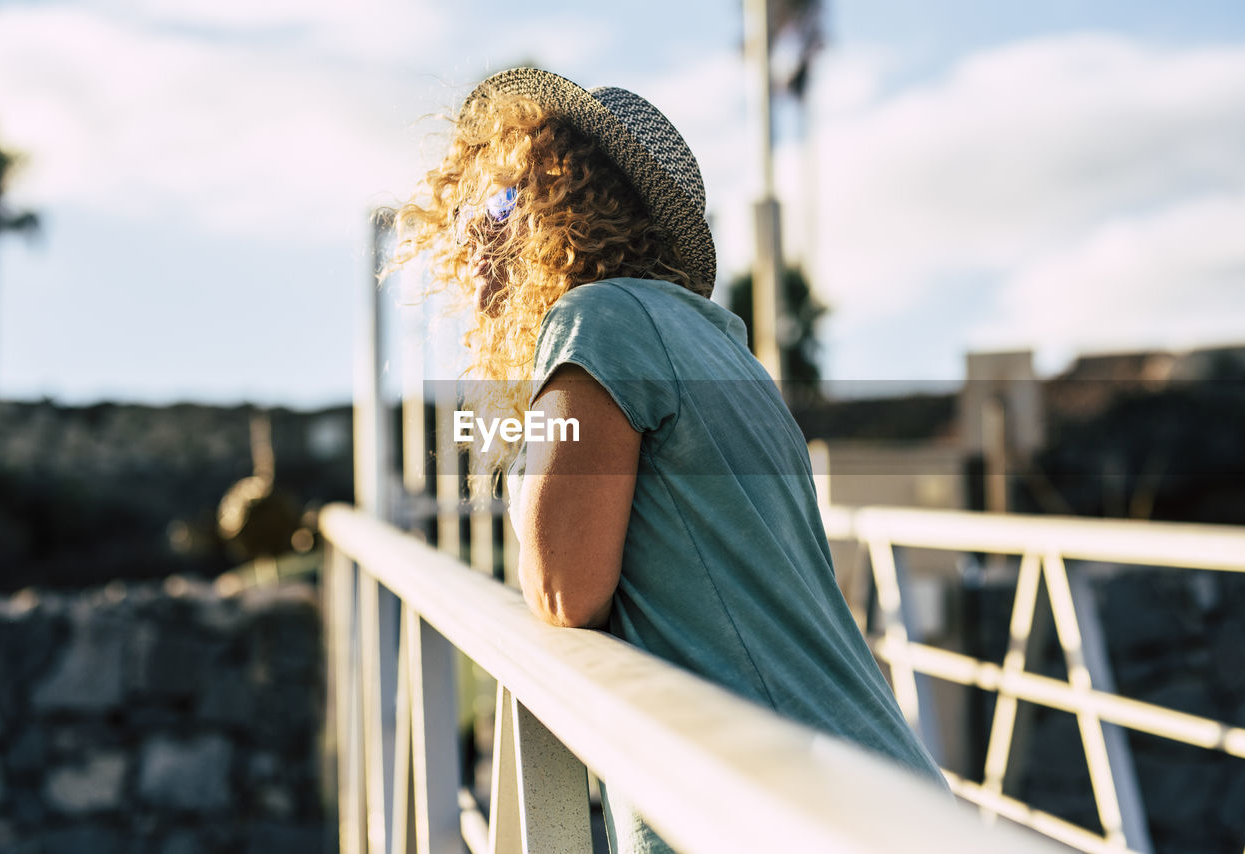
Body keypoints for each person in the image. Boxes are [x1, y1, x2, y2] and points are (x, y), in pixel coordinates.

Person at [390, 67, 949, 854]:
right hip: (873, 789)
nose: (472, 240)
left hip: (777, 808)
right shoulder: (718, 343)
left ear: (563, 204)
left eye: (499, 202)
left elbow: (561, 586)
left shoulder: (601, 319)